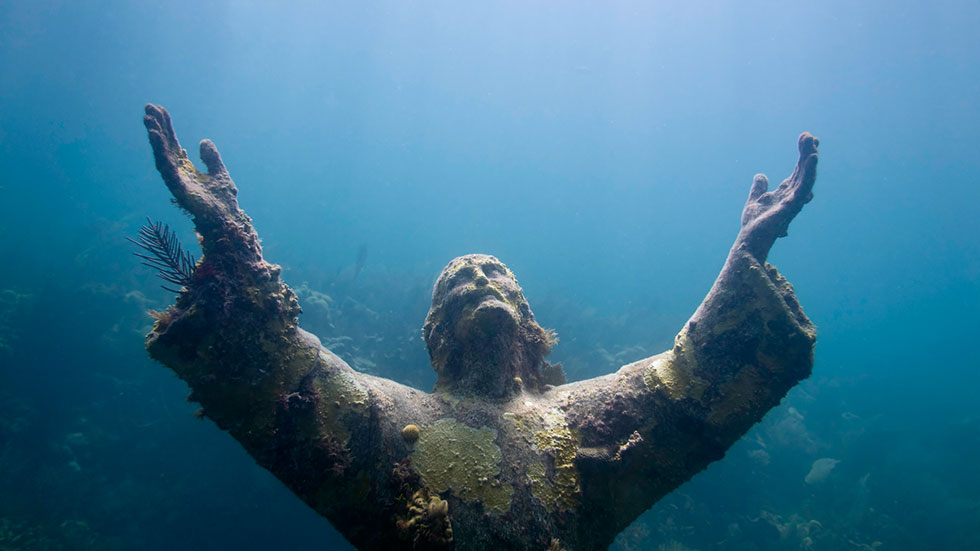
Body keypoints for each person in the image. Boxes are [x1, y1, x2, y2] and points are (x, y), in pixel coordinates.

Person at [140, 104, 819, 551]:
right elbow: (284, 380)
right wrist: (230, 238)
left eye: (495, 275)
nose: (478, 282)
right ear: (437, 331)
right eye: (457, 283)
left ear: (530, 322)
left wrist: (743, 259)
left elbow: (688, 387)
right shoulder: (389, 422)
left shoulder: (586, 423)